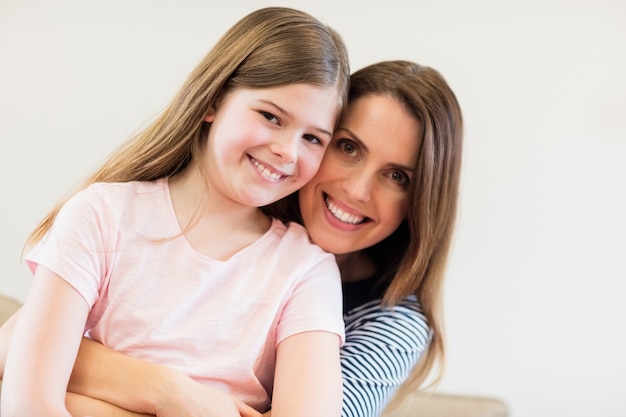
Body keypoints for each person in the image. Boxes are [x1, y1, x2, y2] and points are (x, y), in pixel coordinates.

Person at [0, 60, 462, 417]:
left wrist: (77, 393)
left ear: (422, 199)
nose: (358, 190)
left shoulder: (392, 324)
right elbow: (12, 350)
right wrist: (171, 392)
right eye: (348, 147)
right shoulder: (134, 216)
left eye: (398, 175)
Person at [0, 6, 351, 417]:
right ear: (213, 103)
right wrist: (170, 400)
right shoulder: (102, 215)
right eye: (271, 117)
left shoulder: (306, 270)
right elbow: (28, 405)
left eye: (312, 138)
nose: (287, 151)